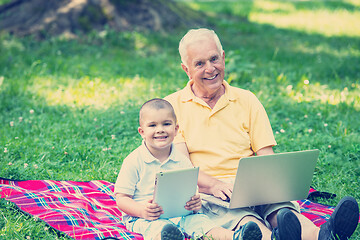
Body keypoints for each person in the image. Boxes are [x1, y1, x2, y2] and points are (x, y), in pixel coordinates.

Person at [164, 28, 359, 240]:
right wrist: (216, 185)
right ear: (186, 69)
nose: (210, 69)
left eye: (214, 59)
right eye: (199, 64)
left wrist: (272, 185)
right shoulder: (171, 108)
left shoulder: (247, 100)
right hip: (211, 193)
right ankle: (271, 237)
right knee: (248, 223)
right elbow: (181, 168)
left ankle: (323, 234)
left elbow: (266, 154)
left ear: (223, 58)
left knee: (285, 212)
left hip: (253, 184)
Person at [114, 98, 264, 240]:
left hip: (181, 214)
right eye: (152, 125)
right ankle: (169, 237)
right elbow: (121, 199)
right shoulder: (134, 161)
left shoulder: (181, 160)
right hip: (144, 217)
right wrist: (142, 210)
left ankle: (235, 237)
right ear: (142, 132)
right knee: (158, 228)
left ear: (176, 128)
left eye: (166, 124)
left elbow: (190, 192)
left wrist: (194, 204)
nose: (160, 130)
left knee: (202, 223)